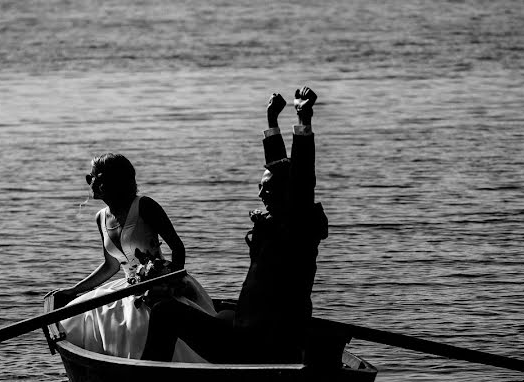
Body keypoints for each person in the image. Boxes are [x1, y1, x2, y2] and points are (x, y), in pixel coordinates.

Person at [140, 86, 329, 364]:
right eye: (259, 187)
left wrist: (304, 119)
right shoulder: (278, 223)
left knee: (164, 312)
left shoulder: (297, 226)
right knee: (224, 313)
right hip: (251, 330)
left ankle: (147, 379)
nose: (260, 194)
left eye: (267, 188)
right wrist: (271, 121)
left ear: (287, 193)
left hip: (258, 344)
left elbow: (301, 178)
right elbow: (280, 168)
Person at [52, 153, 216, 361]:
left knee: (140, 327)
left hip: (162, 283)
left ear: (105, 181)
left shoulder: (145, 206)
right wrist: (74, 290)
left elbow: (178, 247)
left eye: (90, 177)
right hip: (128, 286)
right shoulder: (100, 217)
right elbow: (110, 265)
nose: (89, 183)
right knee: (74, 315)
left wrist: (170, 283)